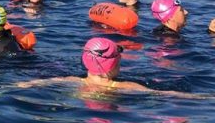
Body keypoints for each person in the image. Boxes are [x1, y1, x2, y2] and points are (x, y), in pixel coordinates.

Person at [18, 37, 197, 97]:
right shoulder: (125, 87)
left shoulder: (72, 81)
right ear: (114, 63)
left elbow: (40, 83)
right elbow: (166, 94)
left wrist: (19, 86)